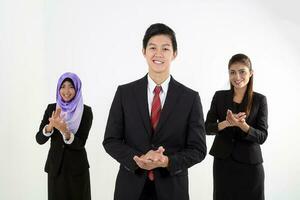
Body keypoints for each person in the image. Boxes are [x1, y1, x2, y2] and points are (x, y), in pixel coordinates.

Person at [103, 23, 206, 200]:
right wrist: (137, 158)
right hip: (131, 188)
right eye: (152, 48)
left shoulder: (190, 98)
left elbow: (198, 149)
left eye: (165, 48)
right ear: (144, 51)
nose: (158, 54)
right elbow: (111, 140)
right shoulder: (125, 93)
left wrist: (168, 161)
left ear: (174, 54)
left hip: (172, 189)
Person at [205, 53, 268, 200]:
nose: (237, 77)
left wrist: (244, 126)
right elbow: (207, 128)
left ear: (251, 73)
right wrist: (225, 123)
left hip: (251, 165)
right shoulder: (219, 97)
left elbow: (262, 136)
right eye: (232, 72)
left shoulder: (259, 100)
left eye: (242, 72)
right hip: (223, 164)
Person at [36, 72, 93, 200]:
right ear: (58, 88)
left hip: (77, 170)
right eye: (63, 86)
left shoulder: (86, 111)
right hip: (56, 169)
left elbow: (80, 143)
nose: (66, 91)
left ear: (77, 89)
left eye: (71, 86)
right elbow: (39, 139)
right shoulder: (52, 108)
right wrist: (50, 126)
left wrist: (65, 131)